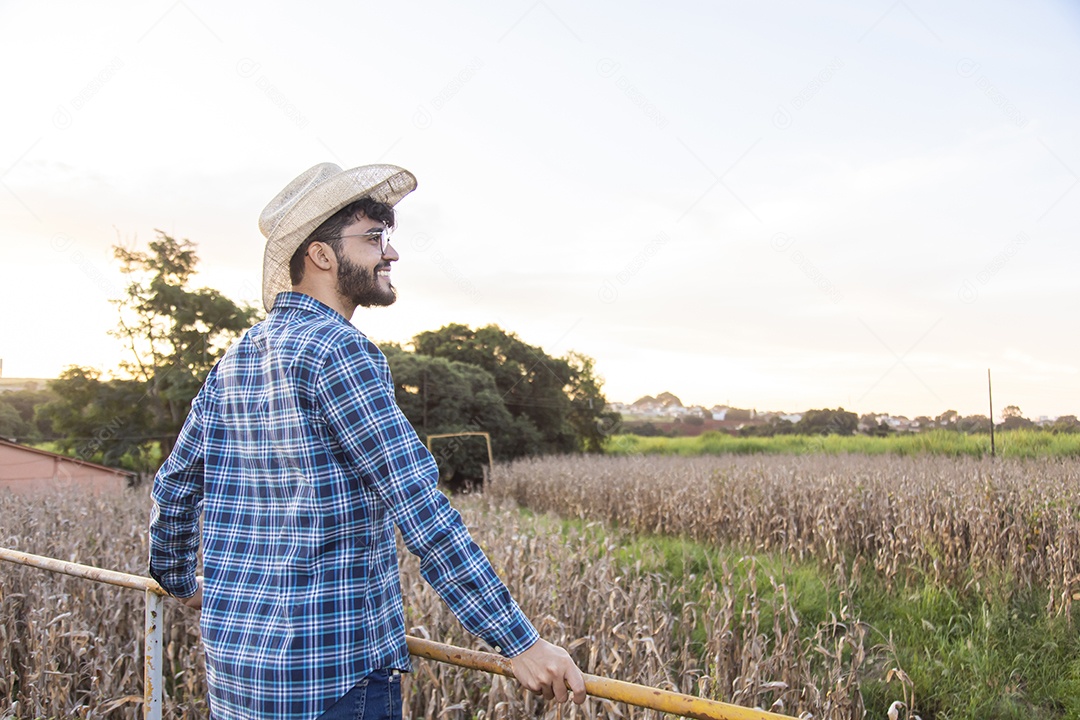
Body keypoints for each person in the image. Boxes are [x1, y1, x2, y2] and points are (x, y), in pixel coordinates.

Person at [149, 162, 586, 720]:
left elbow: (174, 489)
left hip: (240, 681)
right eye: (373, 238)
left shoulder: (236, 357)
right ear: (323, 256)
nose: (392, 253)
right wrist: (520, 643)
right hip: (332, 682)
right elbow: (421, 508)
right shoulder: (341, 351)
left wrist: (180, 579)